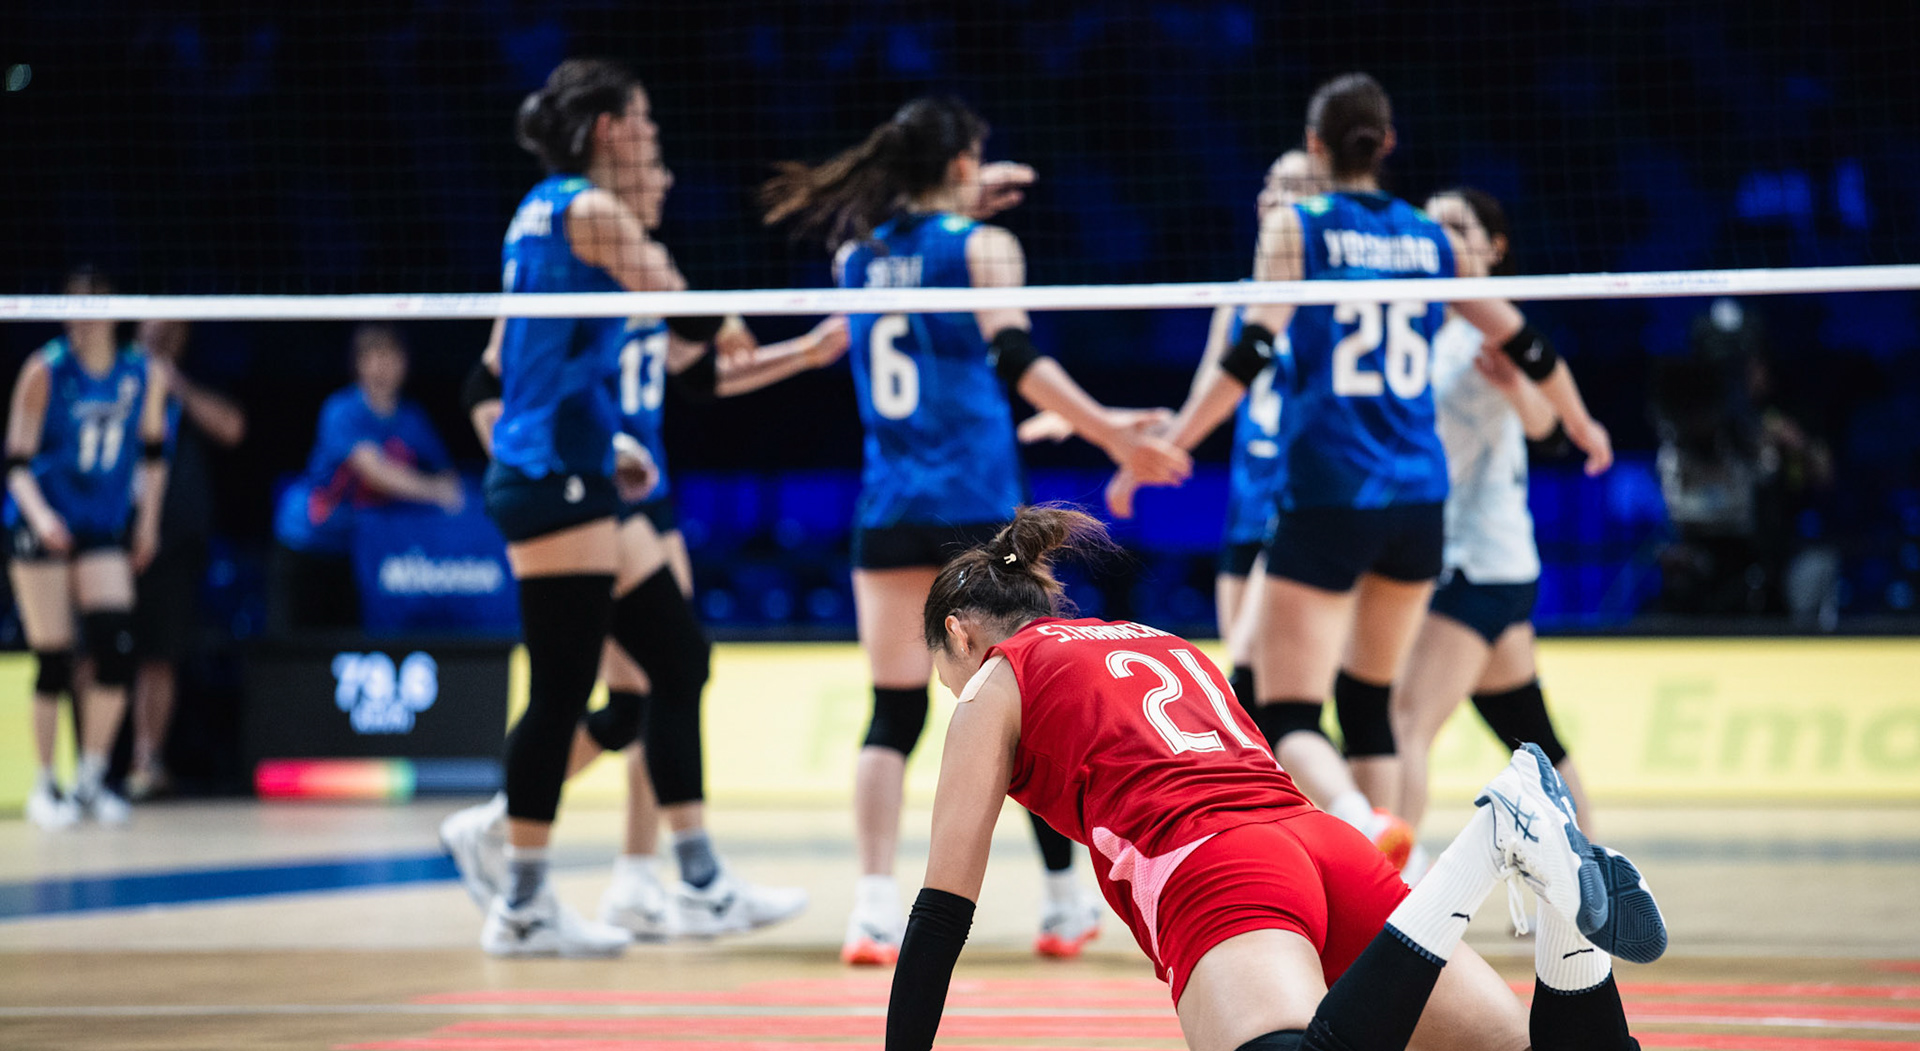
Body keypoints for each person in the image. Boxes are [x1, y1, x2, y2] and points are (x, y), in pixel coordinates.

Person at [830, 506, 1667, 1051]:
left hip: (1222, 873)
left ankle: (1480, 855)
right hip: (1322, 847)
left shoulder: (991, 681)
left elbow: (942, 912)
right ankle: (1555, 900)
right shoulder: (1166, 644)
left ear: (961, 636)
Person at [762, 95, 1191, 965]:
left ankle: (873, 910)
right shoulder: (982, 246)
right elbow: (1015, 358)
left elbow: (891, 277)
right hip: (976, 505)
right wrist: (1111, 431)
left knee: (890, 712)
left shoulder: (858, 257)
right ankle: (1066, 903)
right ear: (963, 163)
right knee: (1025, 707)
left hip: (886, 508)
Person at [1149, 74, 1610, 860]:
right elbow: (1526, 341)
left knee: (1283, 709)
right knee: (1370, 705)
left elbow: (1253, 347)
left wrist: (1178, 443)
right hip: (1419, 508)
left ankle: (1358, 823)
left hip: (1331, 494)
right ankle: (1387, 899)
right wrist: (1582, 421)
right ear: (1388, 144)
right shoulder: (1428, 237)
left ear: (1317, 145)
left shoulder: (1300, 228)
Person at [444, 141, 845, 940]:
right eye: (652, 162)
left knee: (661, 680)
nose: (664, 176)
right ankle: (531, 842)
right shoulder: (579, 271)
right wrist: (522, 459)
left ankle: (634, 873)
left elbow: (700, 377)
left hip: (636, 496)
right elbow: (486, 383)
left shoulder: (638, 279)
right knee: (620, 690)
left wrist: (800, 354)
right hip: (575, 489)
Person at [1392, 189, 1593, 845]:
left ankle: (1387, 893)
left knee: (1404, 724)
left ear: (1494, 247)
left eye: (1459, 227)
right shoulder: (1422, 327)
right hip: (1497, 564)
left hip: (1474, 563)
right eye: (1434, 227)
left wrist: (1518, 389)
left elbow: (1545, 425)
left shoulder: (1492, 327)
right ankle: (1595, 884)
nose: (1443, 239)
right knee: (1531, 736)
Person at [1104, 149, 1327, 714]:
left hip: (1311, 503)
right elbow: (1209, 399)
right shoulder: (1235, 301)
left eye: (1296, 188)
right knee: (1250, 679)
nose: (1276, 198)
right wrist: (1140, 457)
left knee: (1268, 688)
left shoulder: (1335, 297)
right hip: (1249, 505)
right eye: (1272, 186)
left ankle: (1317, 798)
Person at [5, 267, 170, 827]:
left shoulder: (142, 373)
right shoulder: (46, 370)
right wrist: (42, 517)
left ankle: (91, 779)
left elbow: (153, 455)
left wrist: (147, 523)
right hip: (43, 520)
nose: (82, 317)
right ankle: (43, 785)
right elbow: (16, 465)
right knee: (53, 656)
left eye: (93, 305)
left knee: (117, 648)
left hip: (102, 522)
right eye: (72, 305)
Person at [269, 324, 462, 634]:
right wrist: (434, 491)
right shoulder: (341, 410)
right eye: (371, 356)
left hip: (360, 551)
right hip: (305, 542)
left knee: (349, 644)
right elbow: (376, 472)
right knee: (296, 650)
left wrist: (446, 487)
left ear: (405, 363)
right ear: (358, 364)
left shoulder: (412, 419)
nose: (381, 367)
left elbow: (448, 475)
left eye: (389, 356)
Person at [125, 320, 247, 799]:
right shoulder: (111, 375)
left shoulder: (193, 378)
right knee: (93, 652)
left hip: (174, 539)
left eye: (175, 322)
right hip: (107, 529)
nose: (165, 328)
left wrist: (174, 382)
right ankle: (85, 766)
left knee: (160, 654)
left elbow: (233, 428)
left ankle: (145, 760)